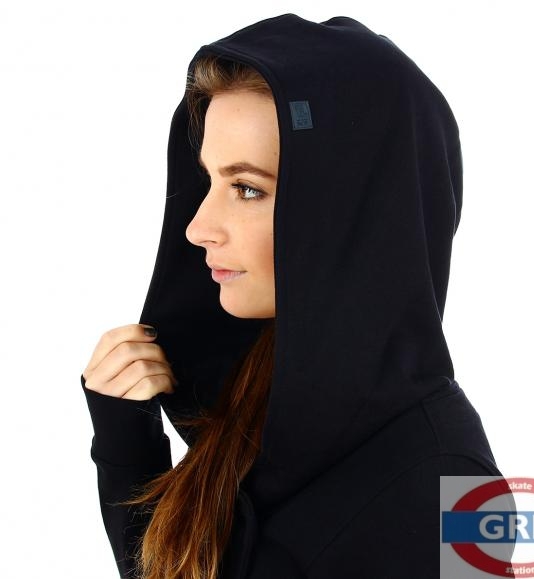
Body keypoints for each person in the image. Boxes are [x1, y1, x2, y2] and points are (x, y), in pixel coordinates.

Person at [81, 13, 511, 579]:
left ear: (354, 213)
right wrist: (127, 447)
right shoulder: (260, 392)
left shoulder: (450, 493)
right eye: (209, 180)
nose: (198, 227)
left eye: (247, 189)